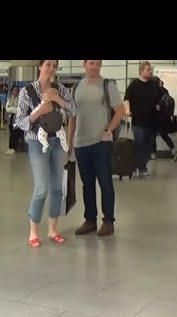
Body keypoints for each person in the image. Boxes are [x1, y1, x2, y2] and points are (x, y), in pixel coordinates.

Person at [15, 60, 76, 247]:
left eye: (54, 65)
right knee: (41, 188)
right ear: (40, 66)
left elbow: (73, 110)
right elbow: (19, 122)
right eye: (47, 64)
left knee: (57, 188)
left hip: (58, 141)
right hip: (36, 141)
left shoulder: (61, 90)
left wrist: (59, 101)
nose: (51, 68)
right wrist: (38, 112)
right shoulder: (27, 92)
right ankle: (33, 232)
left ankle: (52, 229)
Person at [68, 60, 125, 238]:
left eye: (98, 63)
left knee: (105, 182)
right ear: (84, 65)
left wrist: (108, 130)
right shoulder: (76, 87)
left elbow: (120, 110)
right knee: (87, 184)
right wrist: (69, 141)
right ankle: (90, 219)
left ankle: (108, 220)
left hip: (101, 143)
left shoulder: (108, 85)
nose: (95, 66)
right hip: (81, 143)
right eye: (91, 63)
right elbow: (72, 116)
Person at [124, 61, 162, 177]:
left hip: (152, 121)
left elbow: (159, 98)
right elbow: (127, 99)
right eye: (148, 70)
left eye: (151, 70)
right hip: (138, 120)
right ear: (141, 71)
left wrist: (159, 106)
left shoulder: (154, 84)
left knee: (148, 145)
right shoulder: (134, 84)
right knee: (139, 142)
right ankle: (138, 166)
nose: (150, 72)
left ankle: (142, 165)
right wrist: (127, 110)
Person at [153, 77, 177, 160]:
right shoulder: (165, 90)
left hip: (156, 118)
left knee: (152, 135)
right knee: (164, 135)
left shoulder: (153, 92)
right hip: (165, 118)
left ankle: (153, 154)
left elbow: (155, 106)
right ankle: (173, 151)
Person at [5, 86, 21, 154]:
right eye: (14, 90)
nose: (15, 92)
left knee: (15, 133)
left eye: (17, 90)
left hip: (16, 119)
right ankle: (10, 147)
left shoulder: (20, 99)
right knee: (11, 132)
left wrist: (12, 109)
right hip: (10, 118)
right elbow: (7, 108)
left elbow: (19, 110)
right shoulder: (10, 99)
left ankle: (14, 148)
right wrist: (13, 109)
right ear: (12, 91)